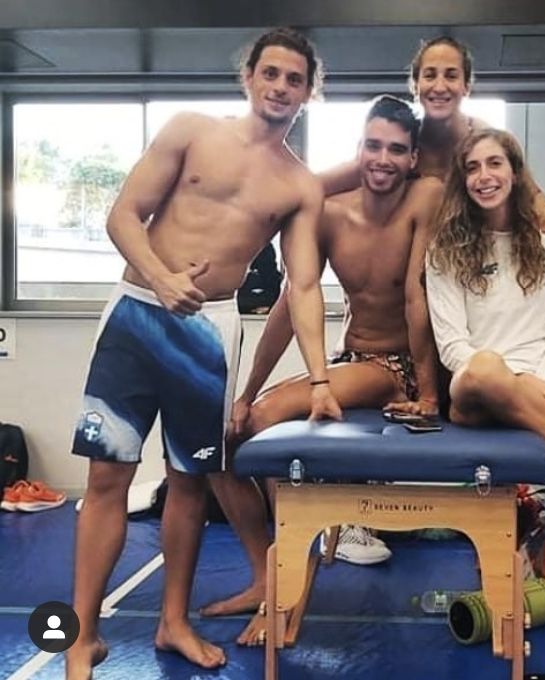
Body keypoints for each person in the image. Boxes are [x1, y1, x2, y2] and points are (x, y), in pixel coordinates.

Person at [65, 27, 342, 680]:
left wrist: (321, 379)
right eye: (270, 73)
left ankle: (174, 622)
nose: (280, 87)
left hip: (209, 334)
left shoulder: (300, 185)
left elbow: (303, 286)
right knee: (106, 479)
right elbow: (123, 215)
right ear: (248, 77)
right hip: (136, 315)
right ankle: (82, 637)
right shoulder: (190, 130)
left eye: (294, 79)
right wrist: (162, 278)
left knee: (188, 484)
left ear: (309, 92)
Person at [202, 95, 443, 639]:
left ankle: (292, 569)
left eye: (396, 150)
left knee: (265, 421)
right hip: (349, 359)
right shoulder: (330, 213)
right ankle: (267, 572)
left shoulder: (424, 197)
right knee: (224, 438)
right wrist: (246, 392)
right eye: (373, 146)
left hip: (398, 367)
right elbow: (291, 302)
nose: (383, 159)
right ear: (358, 149)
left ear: (413, 158)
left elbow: (416, 298)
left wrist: (429, 395)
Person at [425, 128, 545, 664]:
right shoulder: (445, 248)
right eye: (472, 167)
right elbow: (453, 348)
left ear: (515, 171)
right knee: (489, 369)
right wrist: (518, 381)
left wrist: (543, 380)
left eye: (495, 164)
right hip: (475, 385)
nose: (484, 176)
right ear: (461, 180)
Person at [321, 36, 545, 232]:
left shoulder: (485, 140)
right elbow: (318, 185)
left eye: (451, 76)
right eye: (430, 75)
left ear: (466, 86)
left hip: (469, 267)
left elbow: (533, 196)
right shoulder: (400, 145)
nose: (439, 87)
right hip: (410, 270)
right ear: (416, 86)